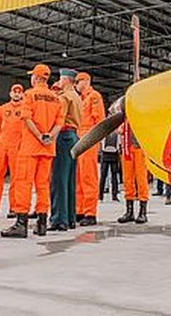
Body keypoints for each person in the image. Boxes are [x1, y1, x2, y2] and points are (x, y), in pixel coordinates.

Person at [2, 63, 65, 239]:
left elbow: (27, 118)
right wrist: (49, 137)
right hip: (48, 148)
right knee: (43, 185)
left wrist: (38, 136)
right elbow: (59, 123)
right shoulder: (56, 98)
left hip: (30, 147)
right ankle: (42, 222)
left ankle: (21, 223)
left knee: (24, 182)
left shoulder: (29, 95)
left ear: (36, 78)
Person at [0, 83, 25, 217]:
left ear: (22, 94)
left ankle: (14, 207)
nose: (17, 94)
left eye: (19, 92)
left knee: (15, 178)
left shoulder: (25, 109)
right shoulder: (2, 109)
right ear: (10, 94)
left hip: (17, 146)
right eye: (14, 91)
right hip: (2, 145)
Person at [49, 70, 82, 232]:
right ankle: (70, 217)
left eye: (60, 79)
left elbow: (57, 119)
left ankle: (58, 219)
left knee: (58, 180)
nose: (58, 82)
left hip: (63, 137)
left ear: (65, 80)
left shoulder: (64, 97)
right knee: (69, 180)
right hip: (74, 136)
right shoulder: (77, 97)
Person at [74, 71, 105, 226]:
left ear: (85, 81)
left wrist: (95, 140)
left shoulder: (94, 97)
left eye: (78, 82)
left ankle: (90, 213)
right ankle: (79, 210)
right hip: (80, 140)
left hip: (89, 139)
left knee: (88, 176)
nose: (76, 85)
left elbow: (100, 120)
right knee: (79, 177)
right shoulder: (81, 99)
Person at [118, 114, 149, 224]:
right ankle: (129, 211)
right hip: (126, 147)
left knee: (141, 178)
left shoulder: (142, 109)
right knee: (127, 179)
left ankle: (143, 211)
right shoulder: (123, 109)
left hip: (139, 147)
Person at [98, 129, 121, 202]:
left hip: (107, 154)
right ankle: (111, 196)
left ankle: (101, 196)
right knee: (111, 176)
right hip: (112, 154)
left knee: (105, 176)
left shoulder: (105, 129)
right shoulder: (117, 130)